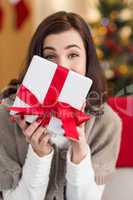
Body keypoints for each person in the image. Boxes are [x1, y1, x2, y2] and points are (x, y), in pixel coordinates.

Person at [0, 11, 122, 200]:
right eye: (50, 56)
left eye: (73, 54)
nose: (62, 66)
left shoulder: (106, 123)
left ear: (87, 59)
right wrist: (39, 155)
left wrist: (80, 150)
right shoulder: (5, 116)